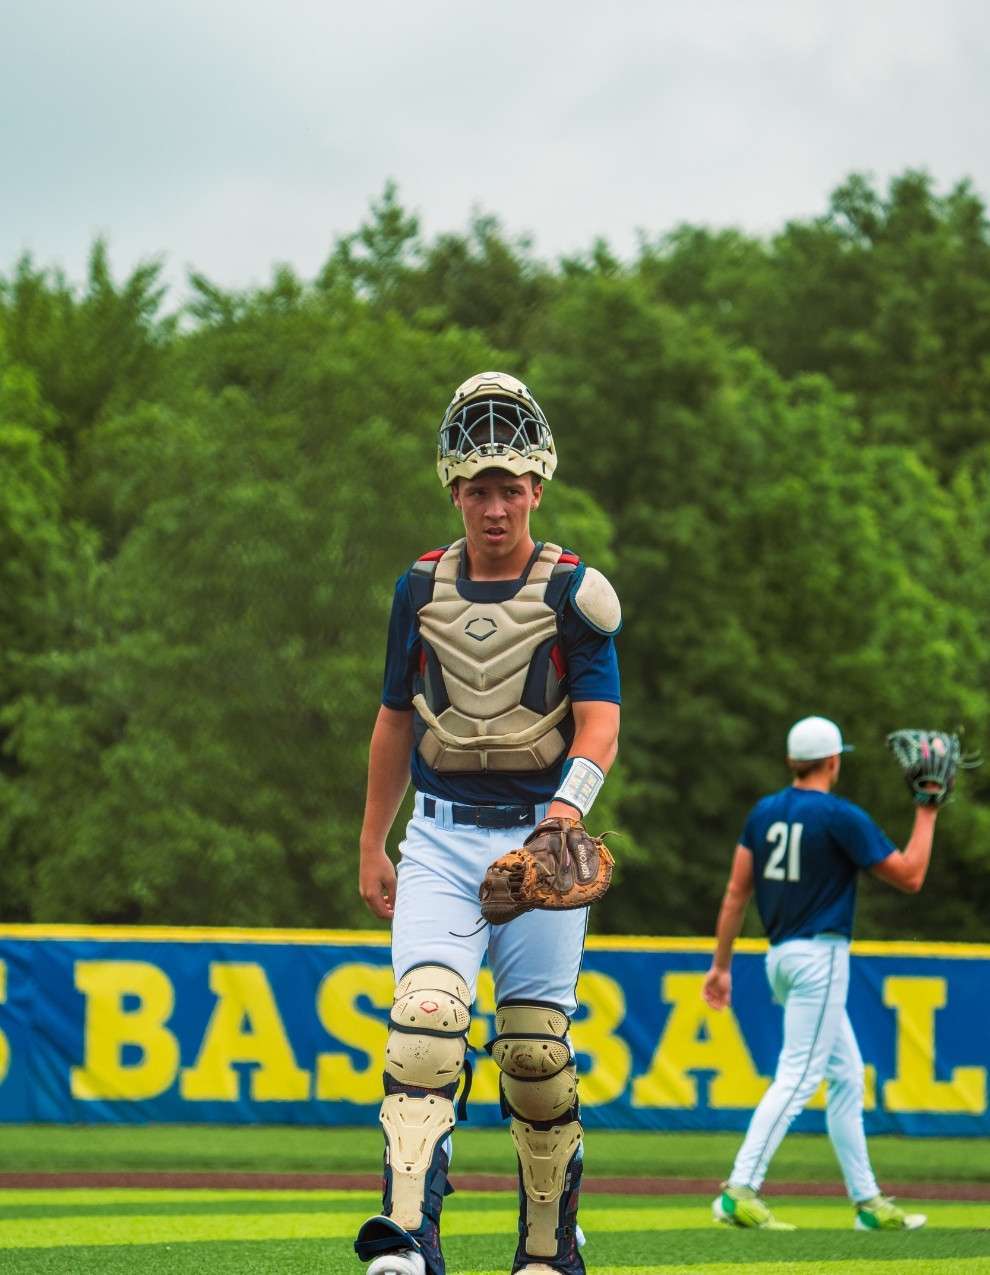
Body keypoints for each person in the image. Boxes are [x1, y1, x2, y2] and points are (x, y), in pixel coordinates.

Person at [353, 371, 622, 1275]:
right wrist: (372, 841)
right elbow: (396, 718)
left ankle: (547, 1248)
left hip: (539, 842)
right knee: (425, 1021)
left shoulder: (575, 591)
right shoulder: (418, 587)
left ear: (537, 487)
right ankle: (405, 1240)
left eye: (510, 487)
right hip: (438, 834)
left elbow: (601, 723)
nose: (495, 506)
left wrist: (564, 814)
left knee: (536, 1053)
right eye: (478, 488)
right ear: (454, 490)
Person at [702, 715, 937, 1232]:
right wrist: (927, 809)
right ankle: (740, 1189)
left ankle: (867, 1202)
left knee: (846, 1076)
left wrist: (721, 965)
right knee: (799, 1076)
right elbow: (911, 876)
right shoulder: (839, 816)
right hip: (820, 958)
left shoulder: (764, 812)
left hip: (781, 958)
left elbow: (736, 893)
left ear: (793, 761)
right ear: (833, 761)